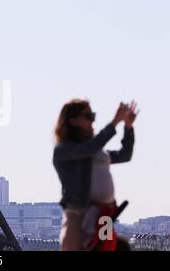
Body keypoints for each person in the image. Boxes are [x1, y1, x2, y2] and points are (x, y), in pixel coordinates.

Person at [53, 99, 138, 251]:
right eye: (88, 116)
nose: (93, 120)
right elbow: (89, 148)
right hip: (81, 215)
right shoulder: (64, 150)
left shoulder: (96, 151)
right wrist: (114, 122)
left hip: (105, 216)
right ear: (72, 120)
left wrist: (128, 126)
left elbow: (125, 155)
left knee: (104, 248)